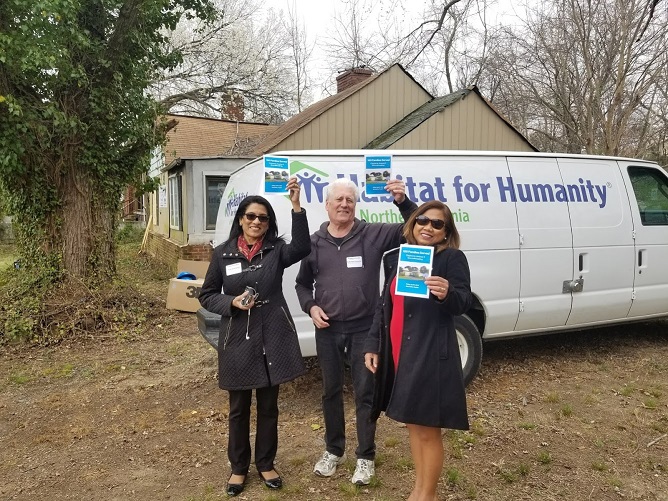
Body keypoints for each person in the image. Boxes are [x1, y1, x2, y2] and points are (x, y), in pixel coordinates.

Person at [295, 177, 417, 485]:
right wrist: (310, 306)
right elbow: (301, 283)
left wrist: (402, 201)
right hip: (328, 330)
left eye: (349, 199)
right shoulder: (314, 243)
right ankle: (333, 451)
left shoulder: (372, 234)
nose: (344, 204)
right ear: (327, 205)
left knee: (366, 393)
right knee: (330, 392)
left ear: (356, 204)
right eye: (338, 199)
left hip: (365, 330)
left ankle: (365, 457)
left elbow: (414, 230)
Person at [199, 178, 310, 497]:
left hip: (272, 333)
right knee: (238, 407)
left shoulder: (276, 251)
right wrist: (230, 302)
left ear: (269, 223)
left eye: (263, 218)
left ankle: (265, 463)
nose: (257, 222)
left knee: (269, 405)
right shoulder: (223, 254)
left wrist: (296, 206)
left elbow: (302, 247)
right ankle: (238, 468)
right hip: (237, 336)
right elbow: (207, 295)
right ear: (241, 220)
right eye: (251, 216)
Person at [363, 200, 473, 501]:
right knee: (413, 424)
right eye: (423, 220)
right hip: (400, 351)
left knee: (428, 429)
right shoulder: (401, 257)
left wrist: (446, 293)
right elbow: (385, 306)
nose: (429, 227)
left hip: (428, 353)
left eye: (438, 224)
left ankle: (427, 495)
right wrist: (373, 343)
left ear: (446, 232)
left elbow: (464, 301)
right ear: (413, 224)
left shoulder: (451, 258)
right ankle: (419, 489)